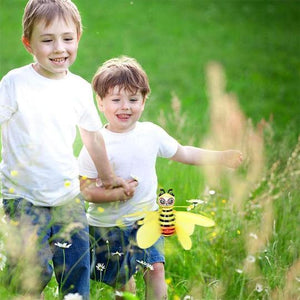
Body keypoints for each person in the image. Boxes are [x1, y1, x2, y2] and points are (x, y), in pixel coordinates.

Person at [78, 56, 243, 299]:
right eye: (116, 100)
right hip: (107, 227)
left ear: (144, 101)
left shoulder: (151, 133)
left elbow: (184, 152)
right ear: (100, 103)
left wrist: (220, 157)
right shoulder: (94, 145)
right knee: (123, 282)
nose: (126, 106)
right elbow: (86, 191)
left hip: (148, 220)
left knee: (155, 268)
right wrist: (114, 194)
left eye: (133, 99)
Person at [0, 1, 129, 299]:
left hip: (67, 194)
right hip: (22, 195)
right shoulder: (15, 83)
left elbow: (93, 137)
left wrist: (108, 177)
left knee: (77, 266)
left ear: (78, 38)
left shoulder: (79, 89)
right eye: (47, 40)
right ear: (28, 43)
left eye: (67, 39)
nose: (59, 48)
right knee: (33, 270)